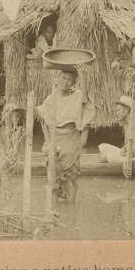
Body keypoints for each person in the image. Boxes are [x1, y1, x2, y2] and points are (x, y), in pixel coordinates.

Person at [35, 65, 96, 203]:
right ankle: (53, 211)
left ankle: (71, 213)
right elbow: (45, 124)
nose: (65, 82)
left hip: (70, 141)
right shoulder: (51, 99)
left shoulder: (77, 96)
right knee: (52, 181)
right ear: (58, 78)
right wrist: (49, 145)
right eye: (63, 78)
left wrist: (83, 75)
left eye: (69, 80)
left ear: (74, 83)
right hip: (54, 140)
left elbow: (85, 100)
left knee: (70, 180)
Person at [98, 96, 135, 176]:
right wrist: (124, 148)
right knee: (102, 146)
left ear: (126, 110)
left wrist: (125, 161)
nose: (116, 113)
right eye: (116, 111)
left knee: (103, 158)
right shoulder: (126, 125)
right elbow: (128, 144)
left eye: (118, 110)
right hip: (131, 154)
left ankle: (117, 165)